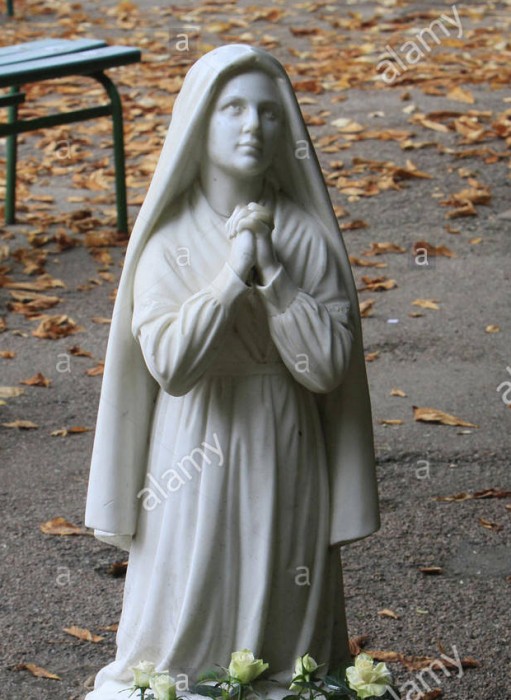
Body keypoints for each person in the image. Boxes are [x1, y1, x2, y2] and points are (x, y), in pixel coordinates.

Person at [84, 44, 380, 700]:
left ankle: (288, 678)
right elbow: (173, 366)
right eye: (233, 109)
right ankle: (172, 681)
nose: (253, 127)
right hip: (190, 441)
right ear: (200, 121)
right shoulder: (170, 239)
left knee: (281, 579)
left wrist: (272, 274)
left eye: (271, 114)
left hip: (285, 438)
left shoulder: (304, 236)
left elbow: (327, 366)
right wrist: (229, 275)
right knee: (189, 586)